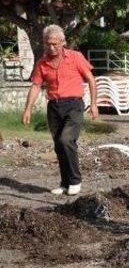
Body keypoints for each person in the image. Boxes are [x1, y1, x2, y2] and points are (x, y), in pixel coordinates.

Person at [22, 24, 98, 195]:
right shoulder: (42, 63)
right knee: (58, 145)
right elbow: (35, 86)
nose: (52, 47)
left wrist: (93, 104)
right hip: (54, 107)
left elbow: (91, 80)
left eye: (55, 43)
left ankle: (75, 180)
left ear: (63, 42)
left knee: (66, 140)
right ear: (44, 43)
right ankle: (65, 183)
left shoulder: (75, 57)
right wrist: (28, 109)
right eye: (48, 43)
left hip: (74, 105)